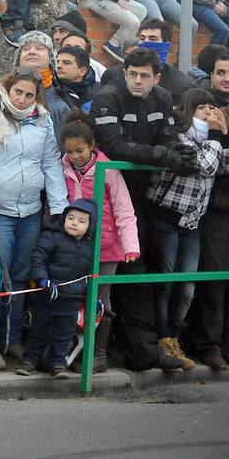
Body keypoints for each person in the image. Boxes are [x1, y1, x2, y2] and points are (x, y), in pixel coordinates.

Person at [86, 46, 198, 373]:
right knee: (99, 279)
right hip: (103, 198)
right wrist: (164, 156)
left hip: (142, 198)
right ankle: (93, 351)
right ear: (124, 73)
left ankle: (142, 352)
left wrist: (178, 153)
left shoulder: (162, 98)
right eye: (132, 74)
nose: (137, 81)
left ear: (157, 77)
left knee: (138, 273)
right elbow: (114, 146)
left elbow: (166, 136)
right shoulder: (107, 98)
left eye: (144, 76)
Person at [0, 66, 65, 369]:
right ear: (7, 88)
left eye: (29, 95)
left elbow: (50, 163)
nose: (22, 99)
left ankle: (14, 339)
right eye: (17, 92)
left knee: (21, 277)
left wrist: (58, 209)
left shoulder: (42, 119)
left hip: (30, 210)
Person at [146, 89, 228, 371]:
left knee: (187, 287)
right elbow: (203, 165)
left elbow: (223, 165)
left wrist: (222, 137)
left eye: (212, 107)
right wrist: (217, 137)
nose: (209, 112)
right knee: (165, 283)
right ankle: (161, 339)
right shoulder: (177, 136)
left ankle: (174, 336)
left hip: (191, 223)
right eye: (202, 107)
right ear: (188, 110)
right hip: (165, 219)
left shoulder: (214, 140)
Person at [59, 114, 139, 371]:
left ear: (92, 145)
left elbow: (124, 209)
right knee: (74, 297)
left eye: (80, 150)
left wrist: (130, 247)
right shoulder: (64, 167)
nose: (75, 156)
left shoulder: (107, 169)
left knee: (100, 301)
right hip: (75, 246)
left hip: (107, 247)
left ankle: (99, 354)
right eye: (69, 151)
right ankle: (75, 349)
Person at [16, 199, 97, 378]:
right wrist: (42, 280)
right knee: (38, 330)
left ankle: (58, 364)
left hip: (71, 301)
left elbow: (88, 275)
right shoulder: (52, 236)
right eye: (70, 218)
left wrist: (91, 296)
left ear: (90, 227)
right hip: (47, 296)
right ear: (63, 219)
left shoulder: (88, 248)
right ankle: (29, 361)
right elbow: (38, 257)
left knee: (64, 334)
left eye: (81, 221)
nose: (74, 223)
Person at [188, 47, 229, 369]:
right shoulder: (203, 111)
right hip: (215, 208)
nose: (226, 78)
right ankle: (208, 344)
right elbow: (212, 166)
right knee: (213, 280)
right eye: (220, 72)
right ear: (211, 75)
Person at [47, 45, 98, 140]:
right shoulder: (49, 89)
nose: (59, 66)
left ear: (82, 71)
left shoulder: (99, 92)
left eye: (66, 63)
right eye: (57, 62)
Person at [137, 20, 193, 99]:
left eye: (152, 39)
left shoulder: (182, 84)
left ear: (166, 45)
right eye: (142, 38)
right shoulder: (118, 76)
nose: (145, 43)